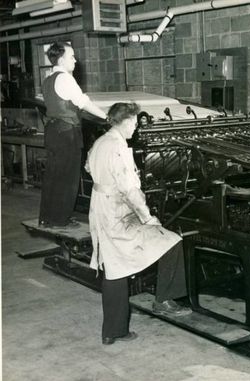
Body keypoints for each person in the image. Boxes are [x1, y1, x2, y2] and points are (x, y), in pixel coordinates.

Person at [85, 102, 190, 345]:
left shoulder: (101, 141)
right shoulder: (119, 148)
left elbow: (89, 166)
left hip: (101, 207)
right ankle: (163, 301)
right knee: (172, 241)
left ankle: (113, 331)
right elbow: (131, 190)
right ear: (122, 122)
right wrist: (148, 218)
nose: (135, 128)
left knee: (113, 268)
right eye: (133, 122)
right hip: (119, 212)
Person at [39, 42, 107, 227]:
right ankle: (61, 219)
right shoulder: (65, 79)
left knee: (53, 175)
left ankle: (48, 217)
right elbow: (83, 102)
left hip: (53, 131)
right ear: (61, 59)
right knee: (68, 177)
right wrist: (107, 117)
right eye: (72, 57)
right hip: (67, 133)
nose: (75, 60)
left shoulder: (48, 79)